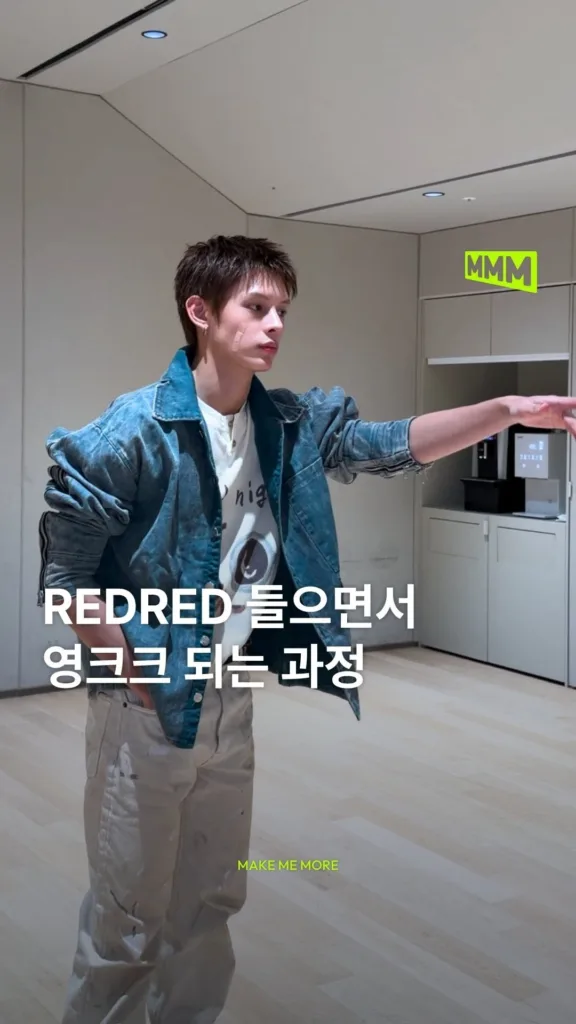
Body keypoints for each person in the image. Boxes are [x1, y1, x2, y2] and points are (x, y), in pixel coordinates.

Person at [38, 234, 576, 1024]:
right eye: (257, 307)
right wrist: (136, 672)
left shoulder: (287, 424)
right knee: (127, 921)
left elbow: (390, 443)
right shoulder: (132, 433)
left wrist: (506, 411)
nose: (275, 325)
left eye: (282, 310)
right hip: (144, 710)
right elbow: (67, 583)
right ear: (200, 311)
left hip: (231, 702)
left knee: (210, 906)